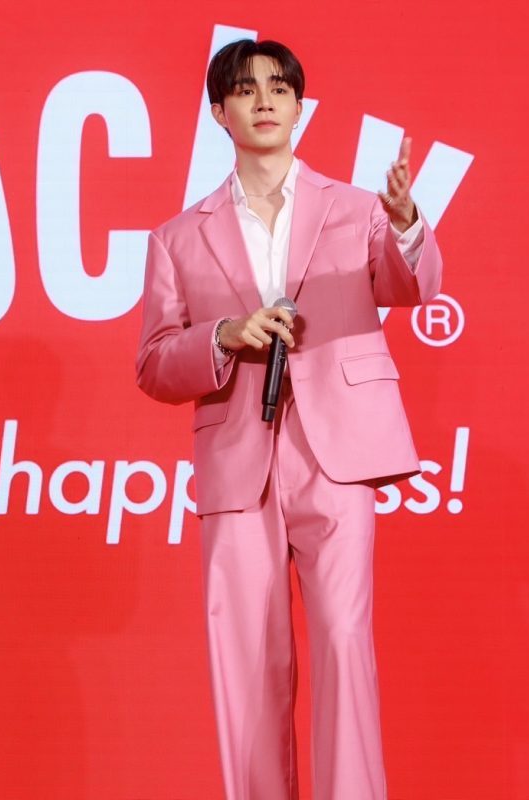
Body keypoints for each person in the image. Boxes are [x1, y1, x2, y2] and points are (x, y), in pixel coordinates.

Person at [136, 39, 442, 799]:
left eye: (279, 88)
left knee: (344, 639)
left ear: (300, 107)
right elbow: (153, 364)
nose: (265, 101)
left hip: (336, 449)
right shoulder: (177, 237)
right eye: (245, 90)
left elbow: (411, 287)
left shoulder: (358, 209)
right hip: (238, 458)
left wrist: (406, 220)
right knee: (245, 655)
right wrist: (223, 336)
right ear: (220, 113)